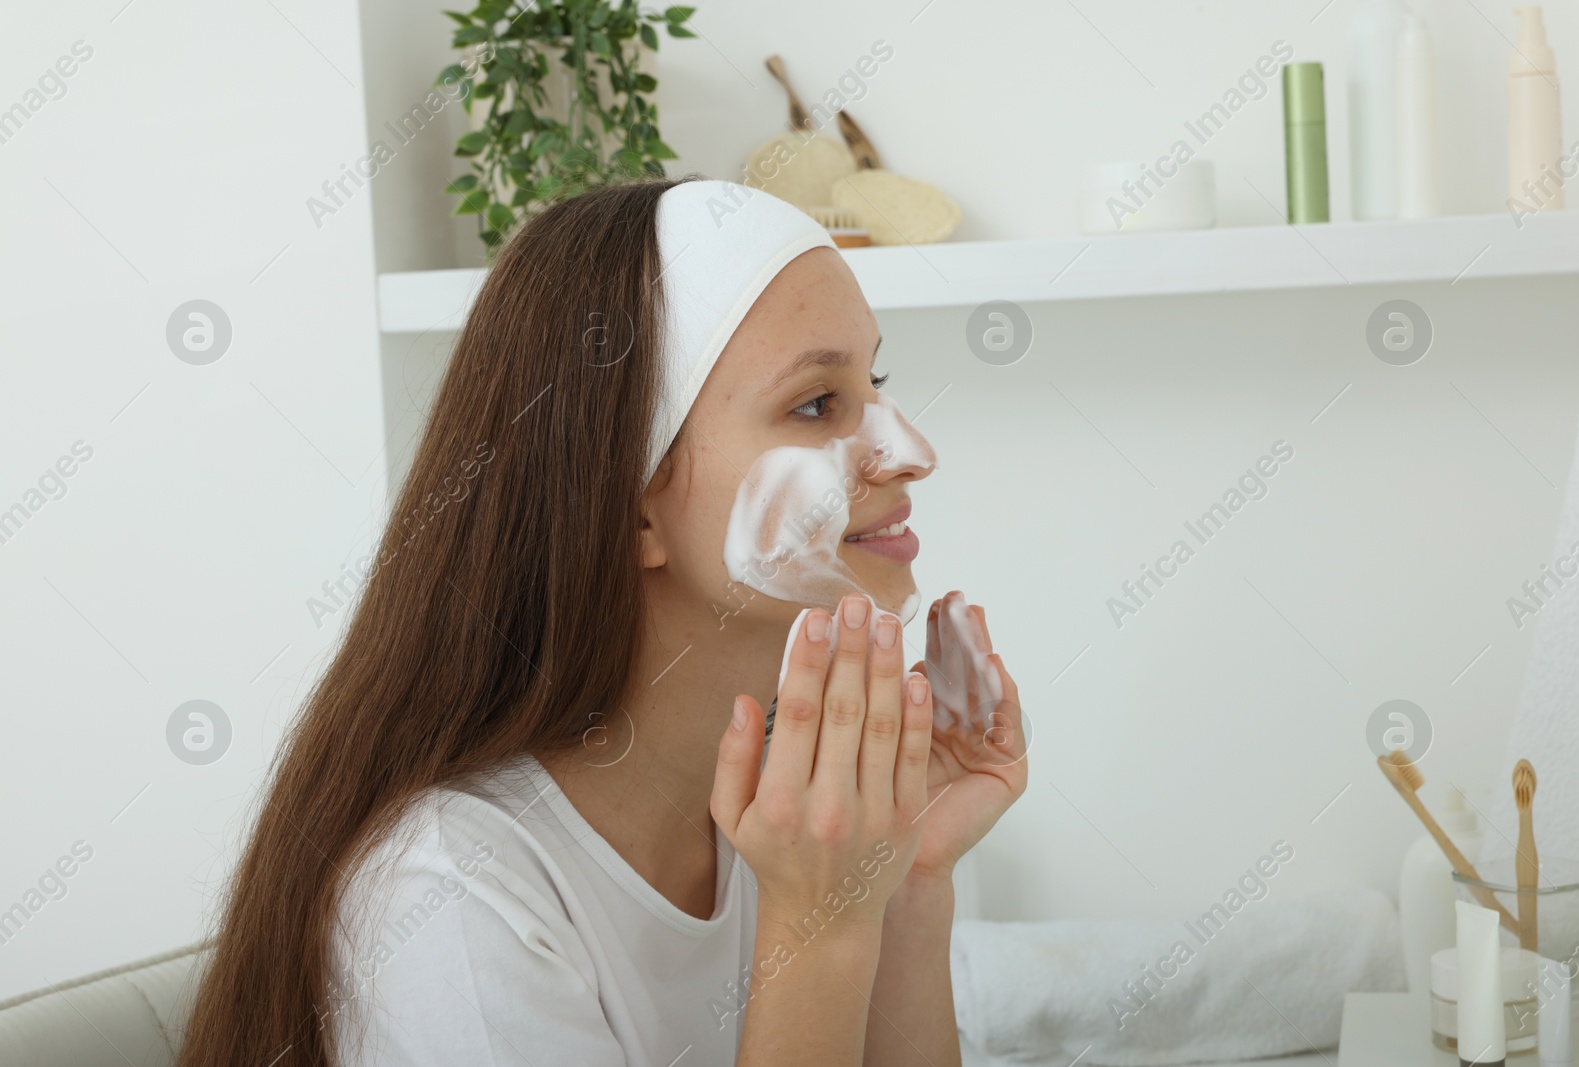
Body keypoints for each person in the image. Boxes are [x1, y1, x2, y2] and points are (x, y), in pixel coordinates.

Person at [177, 175, 1027, 1067]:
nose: (912, 452)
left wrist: (905, 879)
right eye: (818, 404)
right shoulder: (450, 899)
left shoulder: (799, 816)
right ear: (630, 509)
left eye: (876, 384)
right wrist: (820, 922)